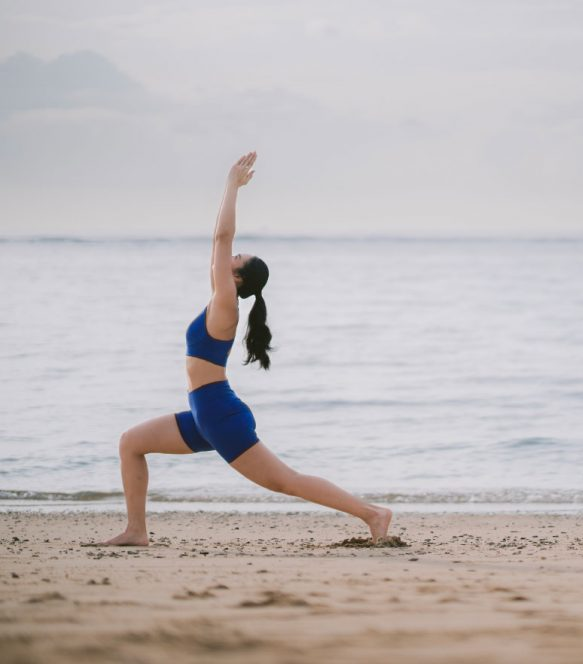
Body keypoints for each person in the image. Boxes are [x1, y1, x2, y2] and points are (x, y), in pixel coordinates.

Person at [90, 152, 392, 546]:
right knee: (131, 442)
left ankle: (374, 514)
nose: (228, 256)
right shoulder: (221, 301)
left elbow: (220, 237)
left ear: (237, 276)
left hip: (217, 413)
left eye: (236, 258)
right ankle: (136, 531)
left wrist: (231, 185)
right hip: (206, 411)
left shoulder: (225, 305)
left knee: (286, 481)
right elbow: (221, 243)